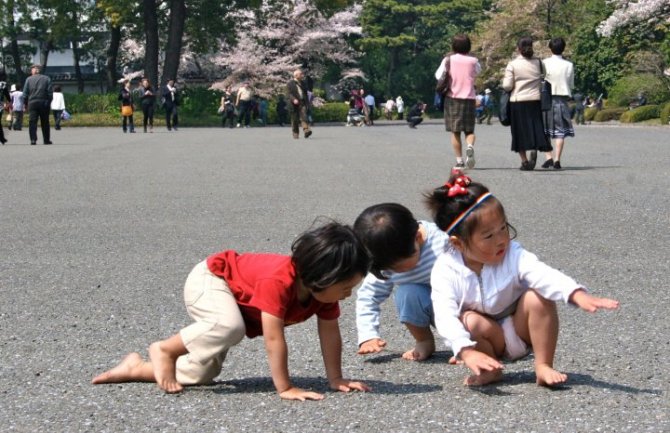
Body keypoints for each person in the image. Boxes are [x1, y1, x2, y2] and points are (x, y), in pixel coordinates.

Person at [92, 222, 371, 400]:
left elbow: (331, 334)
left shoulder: (322, 293)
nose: (349, 293)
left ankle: (136, 368)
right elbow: (274, 339)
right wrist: (285, 387)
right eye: (346, 286)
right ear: (320, 276)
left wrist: (336, 378)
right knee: (230, 327)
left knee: (200, 375)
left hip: (236, 306)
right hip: (211, 279)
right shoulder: (278, 281)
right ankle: (165, 350)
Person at [425, 170, 619, 387]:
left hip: (522, 329)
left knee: (538, 295)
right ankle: (490, 370)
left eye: (503, 228)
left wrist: (575, 293)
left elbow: (542, 273)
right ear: (458, 243)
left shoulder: (513, 254)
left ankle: (543, 365)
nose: (501, 240)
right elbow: (444, 315)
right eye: (488, 236)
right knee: (469, 320)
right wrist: (465, 350)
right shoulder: (445, 269)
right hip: (489, 339)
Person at [354, 203, 449, 361]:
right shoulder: (385, 260)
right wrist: (368, 335)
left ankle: (474, 345)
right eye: (389, 268)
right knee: (407, 293)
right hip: (438, 310)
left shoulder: (443, 241)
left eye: (399, 266)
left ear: (417, 238)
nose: (395, 272)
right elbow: (368, 296)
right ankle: (424, 340)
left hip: (467, 305)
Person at [502, 36, 552, 171]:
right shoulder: (539, 63)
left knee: (519, 131)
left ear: (518, 49)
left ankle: (524, 161)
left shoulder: (512, 64)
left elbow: (507, 86)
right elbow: (544, 76)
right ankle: (534, 147)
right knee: (535, 127)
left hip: (518, 101)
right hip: (535, 100)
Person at [434, 34, 481, 170]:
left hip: (453, 98)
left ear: (453, 46)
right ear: (469, 46)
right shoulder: (473, 60)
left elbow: (438, 76)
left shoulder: (448, 60)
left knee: (455, 132)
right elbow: (477, 72)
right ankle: (470, 146)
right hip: (469, 98)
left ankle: (459, 161)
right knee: (469, 130)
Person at [541, 37, 575, 170]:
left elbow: (540, 80)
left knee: (544, 131)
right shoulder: (569, 65)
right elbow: (571, 84)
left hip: (546, 99)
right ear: (564, 48)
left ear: (550, 48)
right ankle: (557, 160)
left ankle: (548, 157)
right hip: (561, 100)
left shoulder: (544, 63)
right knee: (560, 132)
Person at [22, 64, 53, 145]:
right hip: (44, 102)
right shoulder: (47, 79)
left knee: (32, 122)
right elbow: (50, 93)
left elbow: (25, 94)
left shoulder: (28, 79)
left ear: (33, 70)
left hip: (32, 103)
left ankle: (33, 139)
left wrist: (25, 104)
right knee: (45, 122)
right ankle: (46, 140)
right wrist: (49, 102)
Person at [286, 69, 312, 139]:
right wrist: (294, 99)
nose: (302, 75)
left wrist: (308, 102)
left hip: (302, 102)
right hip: (293, 104)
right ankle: (295, 133)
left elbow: (305, 93)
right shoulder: (290, 83)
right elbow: (289, 94)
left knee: (304, 116)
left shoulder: (303, 83)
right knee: (294, 119)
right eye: (301, 74)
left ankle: (306, 130)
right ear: (296, 75)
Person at [0, 72, 9, 144]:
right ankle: (2, 138)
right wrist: (10, 101)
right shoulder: (3, 84)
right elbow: (6, 93)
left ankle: (2, 138)